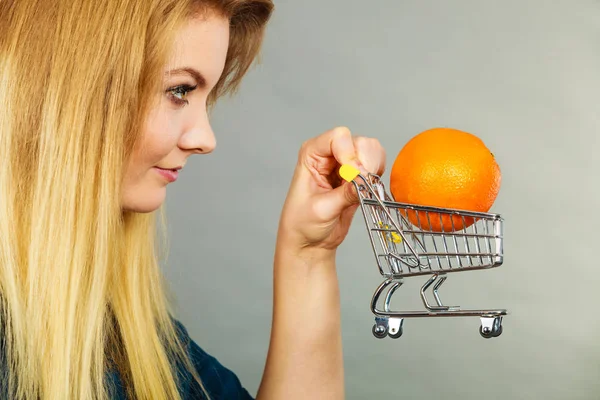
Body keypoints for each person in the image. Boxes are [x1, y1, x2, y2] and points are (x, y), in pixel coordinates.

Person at [0, 0, 386, 399]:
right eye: (179, 90)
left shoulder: (124, 339)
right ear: (63, 84)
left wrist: (309, 255)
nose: (205, 138)